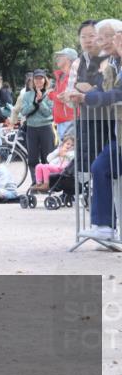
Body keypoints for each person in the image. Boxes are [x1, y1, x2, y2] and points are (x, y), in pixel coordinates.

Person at [68, 19, 122, 240]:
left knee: (102, 167)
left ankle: (105, 226)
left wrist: (86, 96)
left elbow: (117, 95)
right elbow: (104, 89)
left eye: (105, 37)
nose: (101, 42)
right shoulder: (112, 64)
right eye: (99, 37)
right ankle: (104, 226)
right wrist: (78, 96)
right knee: (100, 167)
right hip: (118, 136)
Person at [20, 69, 55, 185]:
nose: (39, 81)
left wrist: (40, 102)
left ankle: (48, 182)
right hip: (31, 128)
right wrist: (34, 102)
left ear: (45, 80)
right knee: (32, 158)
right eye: (36, 78)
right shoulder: (27, 95)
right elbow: (24, 111)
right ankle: (36, 182)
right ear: (33, 80)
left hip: (46, 127)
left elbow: (48, 113)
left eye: (41, 78)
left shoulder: (50, 94)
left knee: (48, 156)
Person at [51, 48, 78, 141]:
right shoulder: (61, 76)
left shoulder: (73, 75)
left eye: (61, 56)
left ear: (68, 60)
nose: (57, 58)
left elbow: (63, 97)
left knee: (69, 152)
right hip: (61, 121)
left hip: (69, 121)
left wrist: (51, 94)